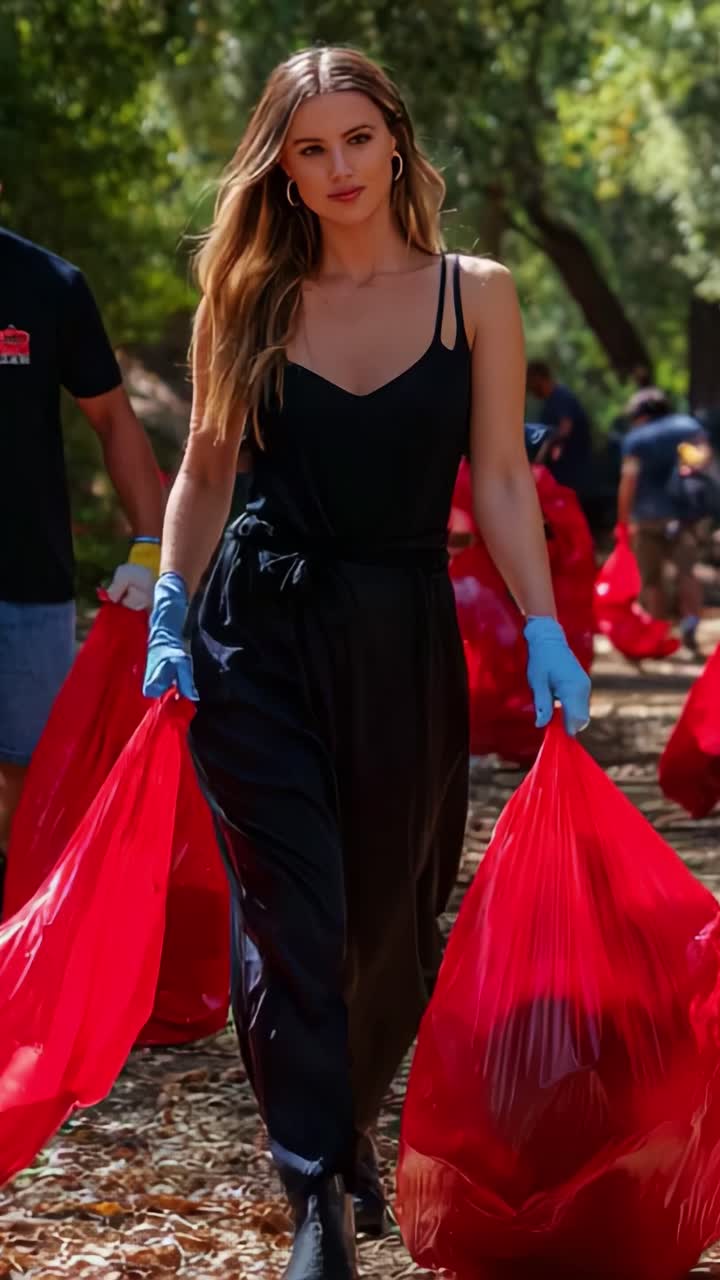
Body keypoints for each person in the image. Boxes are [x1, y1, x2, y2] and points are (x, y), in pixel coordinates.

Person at [142, 47, 591, 1279]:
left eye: (355, 138)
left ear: (395, 137)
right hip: (260, 630)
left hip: (404, 634)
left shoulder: (474, 293)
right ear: (279, 167)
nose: (337, 168)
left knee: (392, 920)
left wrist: (544, 624)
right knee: (297, 913)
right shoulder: (248, 293)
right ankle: (314, 1205)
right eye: (308, 148)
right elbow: (203, 471)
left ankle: (341, 1136)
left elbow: (499, 477)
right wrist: (171, 603)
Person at [0, 222, 165, 887]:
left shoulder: (49, 286)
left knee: (30, 782)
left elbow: (113, 419)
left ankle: (21, 959)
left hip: (27, 581)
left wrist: (152, 552)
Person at [617, 387, 711, 652]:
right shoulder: (687, 426)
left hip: (646, 519)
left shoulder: (636, 439)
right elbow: (703, 457)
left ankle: (657, 633)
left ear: (642, 414)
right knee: (687, 572)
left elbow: (628, 482)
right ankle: (690, 623)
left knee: (652, 579)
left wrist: (623, 520)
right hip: (682, 516)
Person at [526, 359, 593, 498]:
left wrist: (540, 458)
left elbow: (564, 429)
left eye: (530, 382)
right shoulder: (549, 403)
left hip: (573, 472)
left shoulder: (561, 397)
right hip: (561, 473)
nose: (529, 389)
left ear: (538, 378)